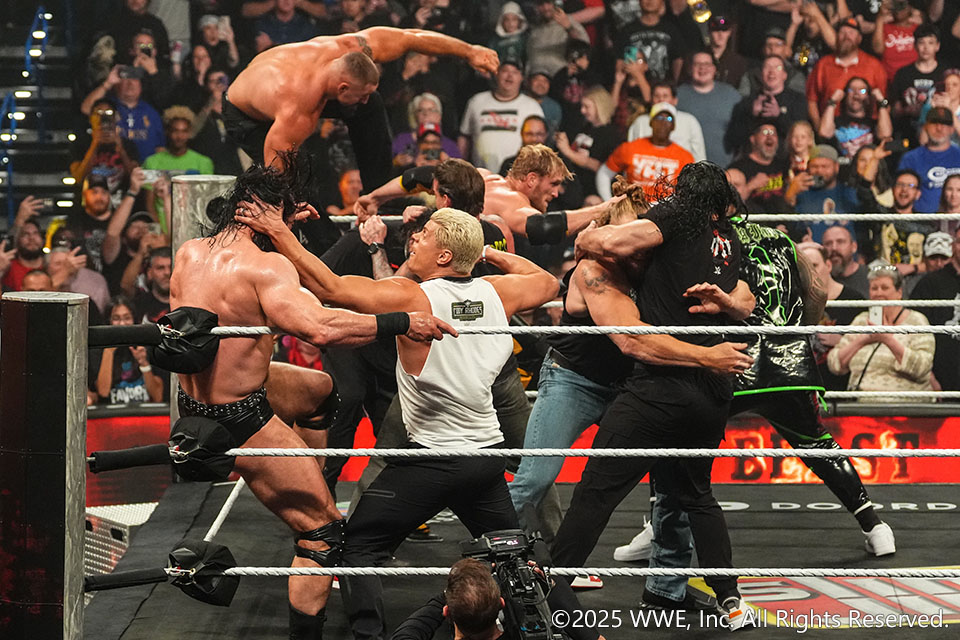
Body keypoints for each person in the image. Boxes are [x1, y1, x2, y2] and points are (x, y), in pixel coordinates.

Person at [235, 204, 561, 640]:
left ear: (444, 255)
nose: (414, 238)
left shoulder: (413, 297)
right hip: (484, 458)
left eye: (425, 234)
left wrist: (278, 231)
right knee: (514, 558)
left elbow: (329, 286)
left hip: (433, 462)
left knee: (357, 547)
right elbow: (547, 281)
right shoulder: (496, 293)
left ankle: (370, 635)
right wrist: (486, 254)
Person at [171, 156, 454, 639]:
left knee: (320, 390)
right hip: (240, 415)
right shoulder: (266, 266)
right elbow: (319, 327)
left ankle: (309, 478)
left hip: (196, 398)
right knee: (323, 532)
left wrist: (284, 230)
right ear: (269, 217)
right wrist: (402, 321)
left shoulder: (190, 251)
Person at [634, 222, 896, 613]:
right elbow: (818, 291)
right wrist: (797, 334)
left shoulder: (713, 240)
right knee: (815, 442)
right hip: (791, 361)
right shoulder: (782, 240)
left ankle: (659, 533)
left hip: (736, 358)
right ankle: (875, 527)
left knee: (677, 437)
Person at [550, 162, 755, 628]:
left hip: (662, 387)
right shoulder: (727, 238)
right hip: (712, 393)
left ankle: (551, 589)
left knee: (595, 492)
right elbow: (745, 298)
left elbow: (615, 250)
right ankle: (730, 600)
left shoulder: (677, 216)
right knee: (696, 495)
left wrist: (587, 235)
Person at [509, 176, 754, 534]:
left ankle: (665, 570)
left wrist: (727, 302)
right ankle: (490, 553)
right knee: (535, 478)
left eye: (642, 243)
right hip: (575, 380)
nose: (635, 252)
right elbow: (632, 341)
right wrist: (707, 357)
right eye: (627, 243)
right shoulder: (595, 270)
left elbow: (744, 290)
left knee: (674, 484)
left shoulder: (664, 261)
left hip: (634, 383)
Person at [224, 26, 499, 189]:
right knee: (299, 180)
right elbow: (276, 176)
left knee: (372, 103)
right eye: (359, 95)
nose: (364, 100)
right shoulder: (297, 106)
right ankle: (322, 249)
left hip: (294, 87)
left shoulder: (353, 47)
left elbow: (410, 37)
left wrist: (469, 51)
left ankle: (378, 194)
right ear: (343, 89)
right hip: (244, 113)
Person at [828, 265, 935, 399]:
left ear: (899, 292)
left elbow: (922, 368)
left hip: (904, 405)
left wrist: (887, 339)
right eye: (874, 288)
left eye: (885, 288)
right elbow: (834, 363)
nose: (878, 293)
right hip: (860, 404)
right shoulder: (861, 320)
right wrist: (863, 339)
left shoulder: (916, 321)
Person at [459, 60, 545, 172]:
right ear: (496, 74)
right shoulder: (476, 101)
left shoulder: (532, 106)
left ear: (522, 78)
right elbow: (464, 137)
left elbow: (540, 142)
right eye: (505, 71)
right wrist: (461, 168)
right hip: (480, 175)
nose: (509, 76)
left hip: (519, 175)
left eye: (515, 72)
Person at [597, 102, 694, 201]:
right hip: (635, 206)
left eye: (668, 119)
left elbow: (691, 191)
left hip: (668, 208)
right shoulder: (630, 148)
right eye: (659, 118)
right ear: (651, 123)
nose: (663, 123)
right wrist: (609, 202)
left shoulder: (685, 157)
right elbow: (604, 173)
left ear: (673, 126)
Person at [805, 18, 887, 131]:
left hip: (867, 131)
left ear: (859, 38)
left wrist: (879, 130)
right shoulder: (823, 64)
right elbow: (811, 100)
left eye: (851, 33)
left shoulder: (874, 65)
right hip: (831, 129)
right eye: (842, 32)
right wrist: (819, 127)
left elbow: (883, 101)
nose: (846, 36)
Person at [909, 226, 960, 390]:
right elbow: (913, 331)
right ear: (953, 246)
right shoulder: (929, 283)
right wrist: (928, 376)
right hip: (942, 378)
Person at [727, 55, 809, 154]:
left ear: (784, 75)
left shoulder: (797, 100)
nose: (771, 72)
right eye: (767, 67)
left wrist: (779, 116)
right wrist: (752, 115)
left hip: (785, 158)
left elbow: (801, 135)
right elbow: (735, 139)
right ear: (761, 74)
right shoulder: (748, 102)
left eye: (777, 68)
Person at [554, 87, 622, 202]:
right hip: (573, 189)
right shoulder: (584, 127)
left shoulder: (612, 135)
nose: (582, 111)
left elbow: (604, 168)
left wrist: (568, 152)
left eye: (587, 107)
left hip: (593, 193)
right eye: (582, 106)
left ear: (599, 107)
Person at [94, 295, 165, 404]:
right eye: (116, 319)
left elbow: (157, 397)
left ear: (134, 320)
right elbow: (103, 392)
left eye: (127, 318)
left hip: (144, 412)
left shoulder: (146, 347)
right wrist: (109, 351)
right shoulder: (99, 351)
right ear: (109, 322)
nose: (122, 324)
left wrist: (144, 363)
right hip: (113, 412)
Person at [677, 51, 741, 167]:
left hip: (723, 167)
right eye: (697, 64)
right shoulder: (678, 95)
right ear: (690, 69)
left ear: (714, 69)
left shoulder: (731, 95)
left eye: (707, 64)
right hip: (686, 168)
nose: (702, 68)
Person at [627, 82, 706, 162]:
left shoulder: (689, 121)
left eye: (665, 96)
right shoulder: (640, 122)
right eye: (657, 96)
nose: (661, 100)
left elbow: (700, 158)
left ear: (675, 100)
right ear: (651, 100)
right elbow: (629, 154)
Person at [818, 77, 893, 158]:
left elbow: (886, 135)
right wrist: (832, 102)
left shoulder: (874, 124)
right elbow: (824, 133)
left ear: (868, 97)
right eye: (851, 90)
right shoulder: (835, 122)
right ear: (845, 95)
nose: (856, 94)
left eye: (862, 90)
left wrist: (881, 102)